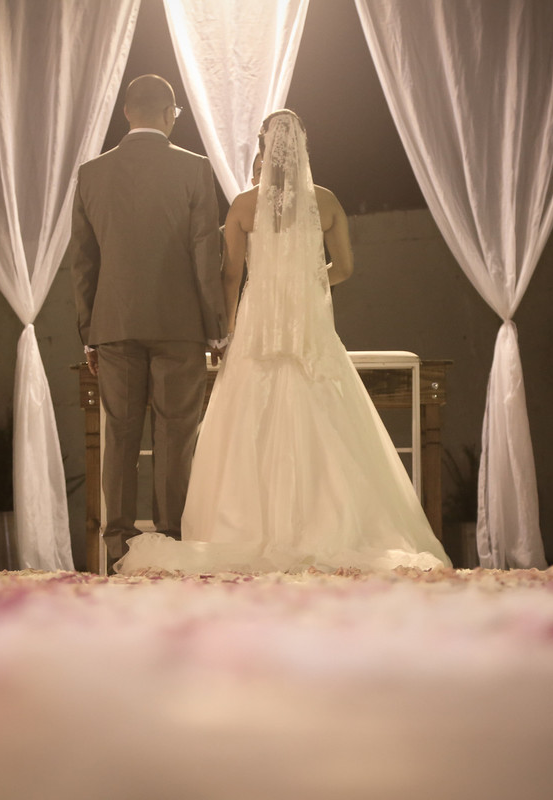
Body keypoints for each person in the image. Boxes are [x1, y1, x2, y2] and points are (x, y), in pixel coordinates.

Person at [118, 110, 451, 574]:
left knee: (246, 418)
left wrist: (226, 331)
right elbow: (346, 269)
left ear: (263, 149)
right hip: (309, 327)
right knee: (328, 419)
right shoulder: (327, 202)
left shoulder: (243, 206)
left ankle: (237, 529)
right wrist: (310, 283)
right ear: (303, 148)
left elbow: (231, 276)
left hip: (258, 325)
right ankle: (335, 525)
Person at [70, 74, 228, 563]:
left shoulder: (91, 174)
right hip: (180, 326)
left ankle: (117, 547)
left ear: (125, 113)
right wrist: (215, 327)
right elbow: (207, 255)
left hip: (113, 325)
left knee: (118, 435)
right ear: (170, 114)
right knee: (176, 434)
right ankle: (171, 545)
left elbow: (83, 261)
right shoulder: (195, 170)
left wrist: (89, 334)